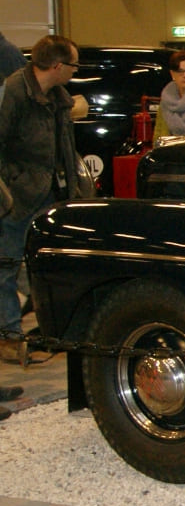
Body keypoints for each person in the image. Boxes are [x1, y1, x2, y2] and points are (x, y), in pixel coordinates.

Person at [0, 34, 91, 365]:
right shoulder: (13, 92)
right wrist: (11, 186)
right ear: (57, 66)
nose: (75, 70)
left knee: (50, 267)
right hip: (17, 198)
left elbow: (64, 149)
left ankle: (49, 333)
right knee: (6, 266)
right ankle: (9, 339)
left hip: (51, 195)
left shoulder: (59, 97)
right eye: (73, 64)